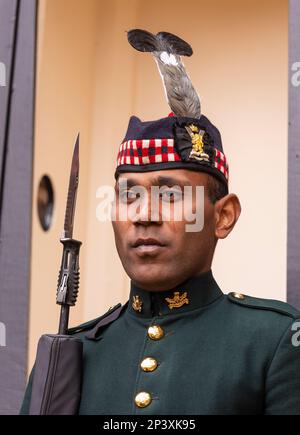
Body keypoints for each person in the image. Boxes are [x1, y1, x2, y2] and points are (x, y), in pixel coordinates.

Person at [20, 29, 300, 415]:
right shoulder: (73, 352)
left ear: (223, 216)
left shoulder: (275, 341)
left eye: (171, 195)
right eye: (129, 195)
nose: (144, 214)